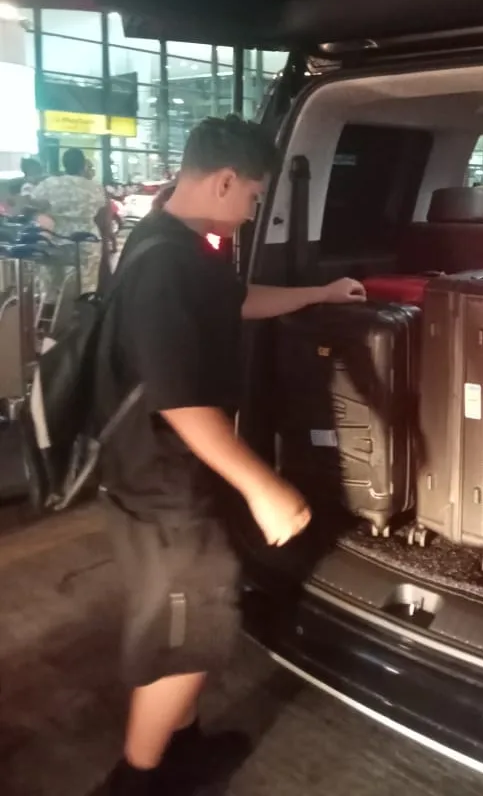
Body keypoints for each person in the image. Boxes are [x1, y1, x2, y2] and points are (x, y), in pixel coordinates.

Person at [92, 115, 366, 795]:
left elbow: (235, 302)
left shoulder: (178, 244)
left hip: (169, 479)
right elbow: (182, 403)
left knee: (193, 622)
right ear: (222, 180)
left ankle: (180, 747)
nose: (249, 213)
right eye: (250, 197)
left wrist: (322, 293)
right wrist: (262, 486)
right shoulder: (167, 266)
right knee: (181, 636)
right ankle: (137, 781)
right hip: (163, 488)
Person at [30, 148, 110, 299]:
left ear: (64, 164)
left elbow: (33, 204)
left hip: (55, 240)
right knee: (85, 285)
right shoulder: (95, 187)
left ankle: (52, 315)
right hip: (87, 242)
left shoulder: (49, 184)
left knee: (53, 284)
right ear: (83, 166)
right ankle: (82, 314)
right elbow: (102, 211)